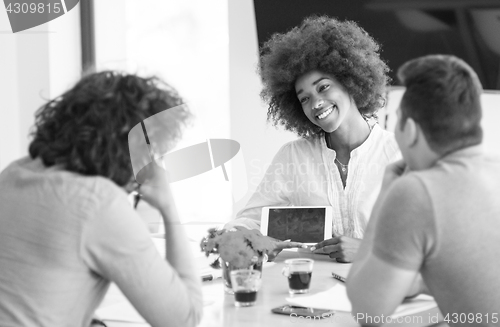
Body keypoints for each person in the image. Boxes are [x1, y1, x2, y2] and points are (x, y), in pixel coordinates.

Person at [0, 72, 203, 327]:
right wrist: (168, 207)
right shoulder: (99, 203)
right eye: (152, 152)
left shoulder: (12, 173)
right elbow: (184, 319)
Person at [227, 16, 400, 262]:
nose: (316, 103)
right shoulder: (293, 156)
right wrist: (250, 239)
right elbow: (249, 220)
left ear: (350, 81)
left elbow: (434, 239)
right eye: (304, 98)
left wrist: (367, 250)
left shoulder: (399, 152)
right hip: (311, 292)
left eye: (323, 87)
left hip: (380, 292)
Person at [346, 55, 500, 326]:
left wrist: (385, 195)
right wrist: (421, 283)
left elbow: (367, 312)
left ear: (411, 131)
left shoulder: (416, 192)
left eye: (396, 121)